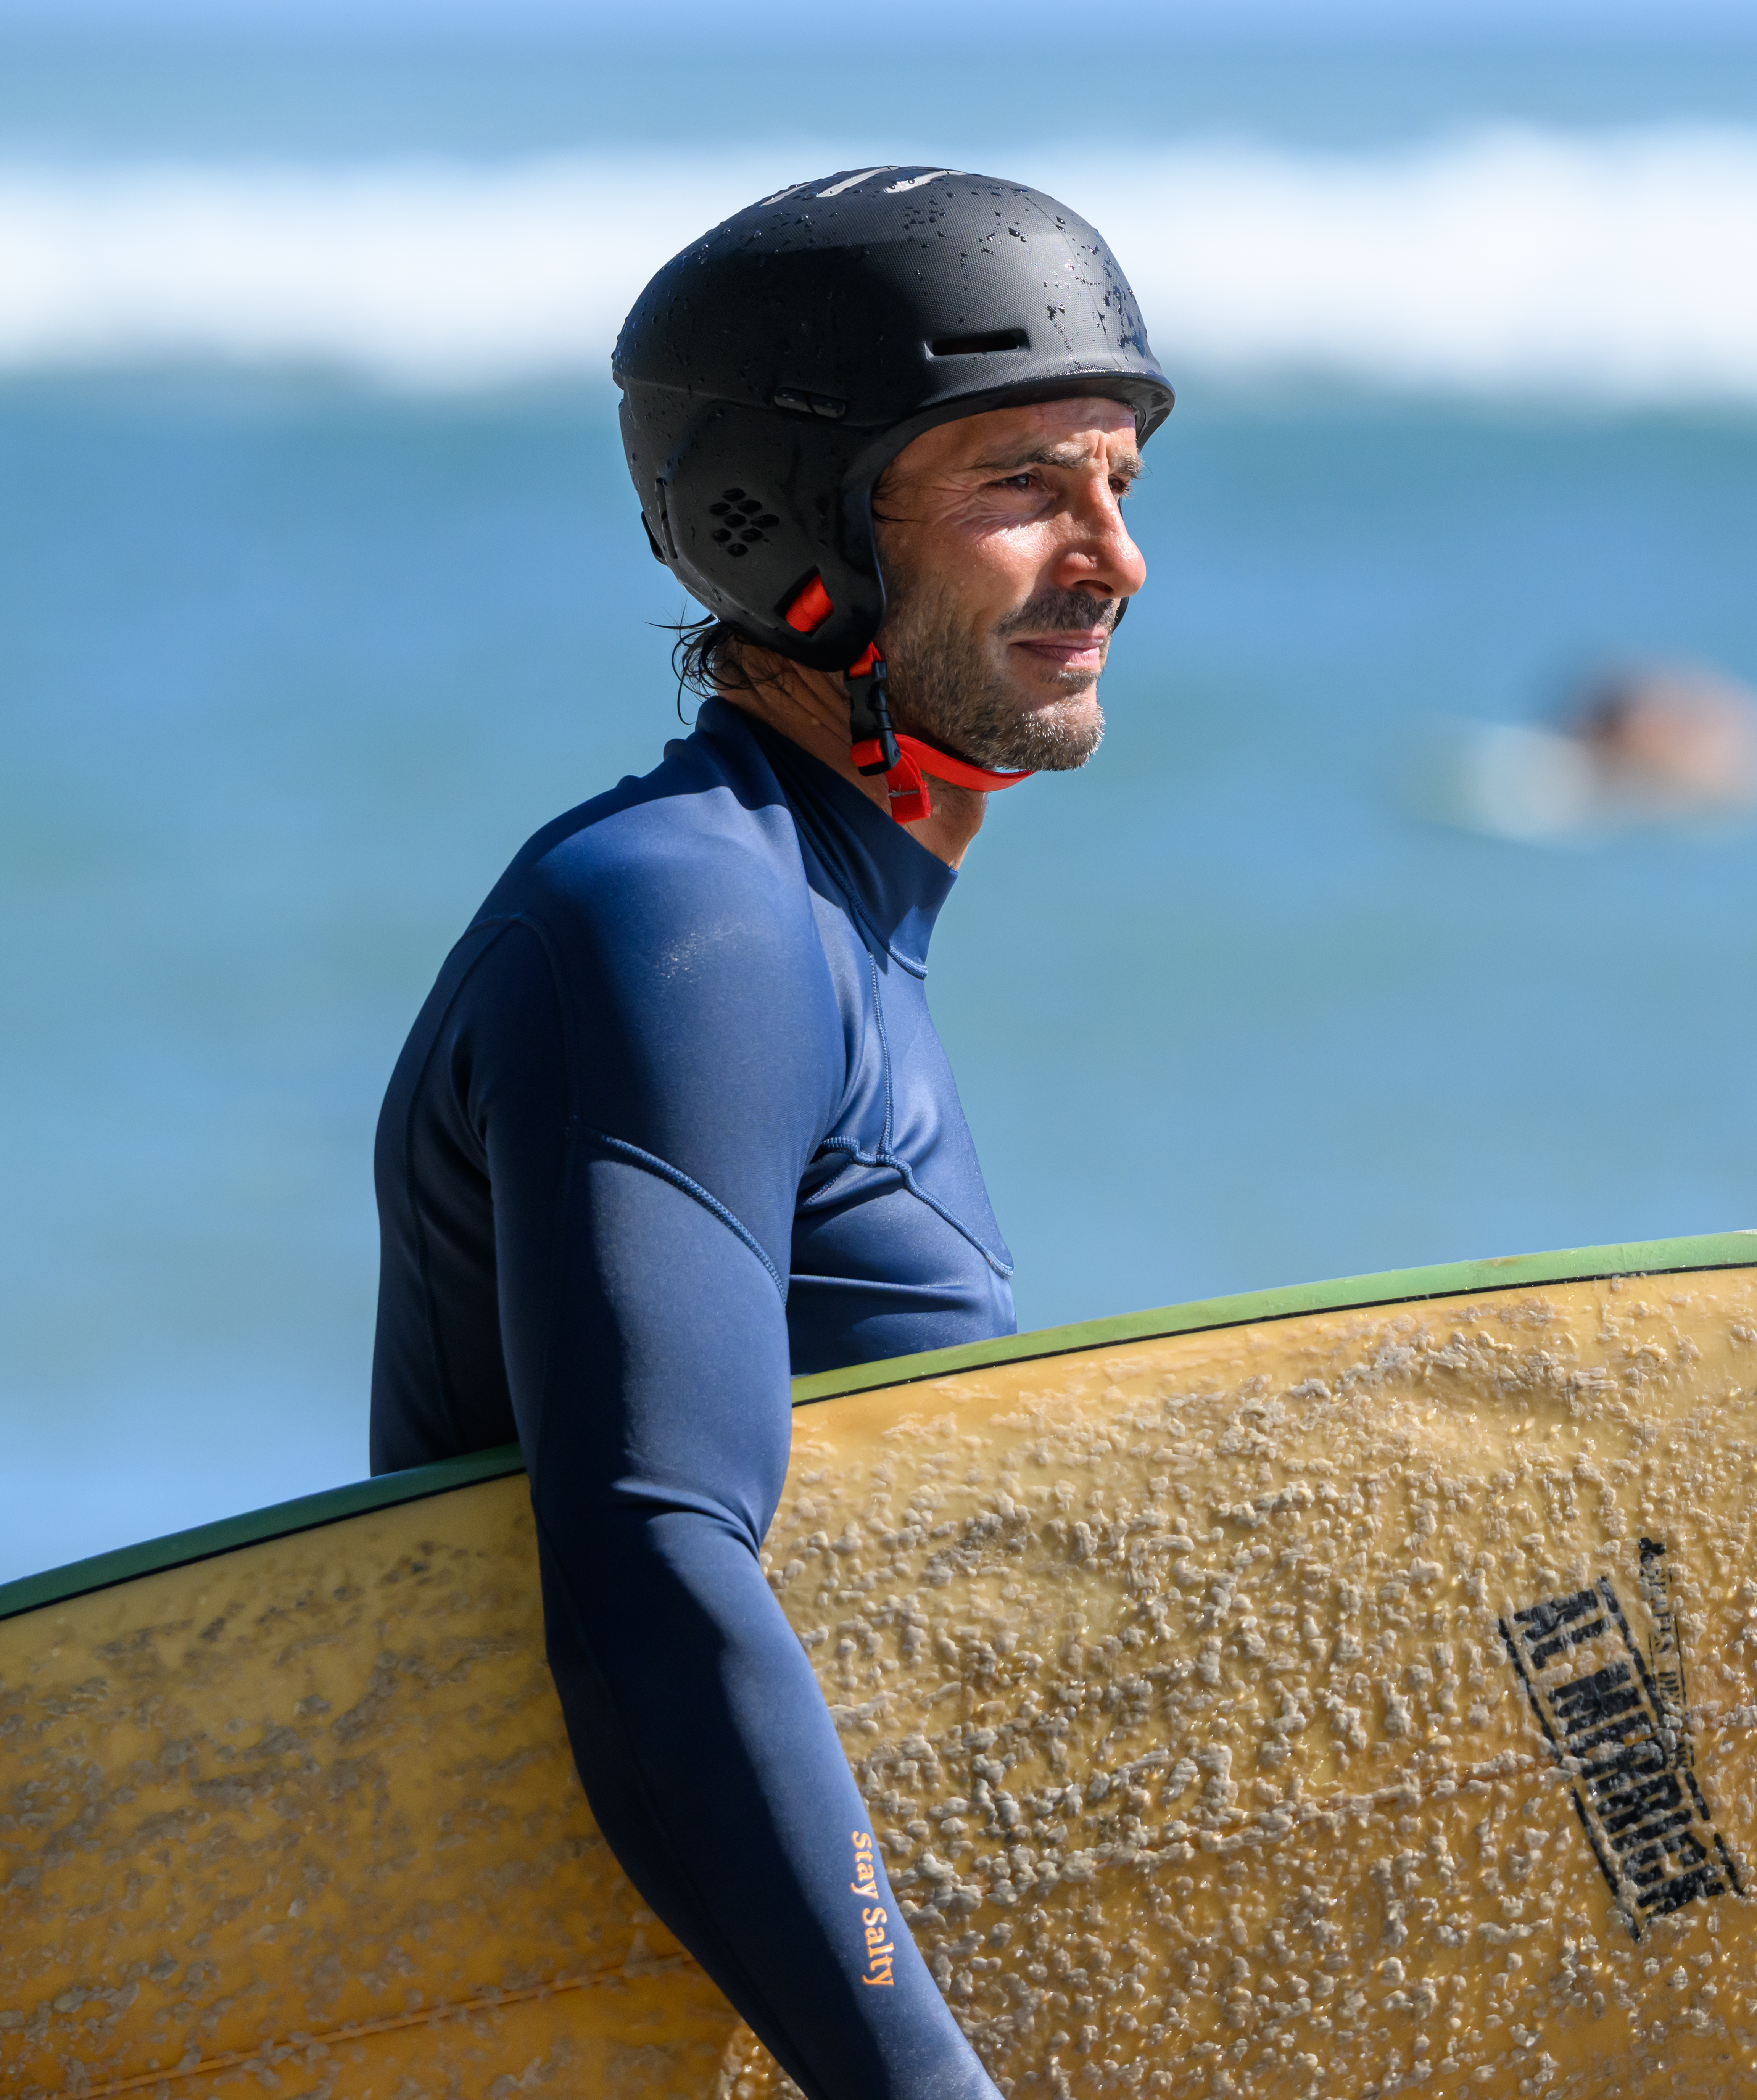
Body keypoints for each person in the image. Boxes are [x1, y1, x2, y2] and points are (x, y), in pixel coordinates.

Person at [366, 169, 1168, 2100]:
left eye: (1123, 482)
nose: (1113, 557)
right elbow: (653, 1569)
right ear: (782, 529)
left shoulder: (830, 932)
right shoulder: (686, 924)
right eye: (1025, 486)